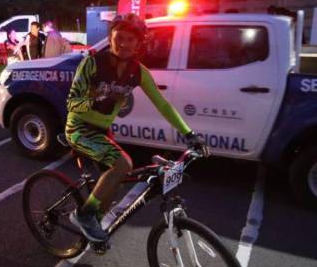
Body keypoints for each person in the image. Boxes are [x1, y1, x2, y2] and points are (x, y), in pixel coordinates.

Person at [65, 14, 209, 241]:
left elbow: (162, 104)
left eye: (130, 39)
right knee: (123, 163)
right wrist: (95, 102)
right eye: (118, 37)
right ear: (110, 37)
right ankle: (84, 215)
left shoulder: (138, 71)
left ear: (139, 43)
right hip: (79, 128)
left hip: (102, 132)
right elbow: (71, 103)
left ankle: (95, 230)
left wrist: (189, 134)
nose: (123, 44)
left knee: (116, 181)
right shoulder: (92, 63)